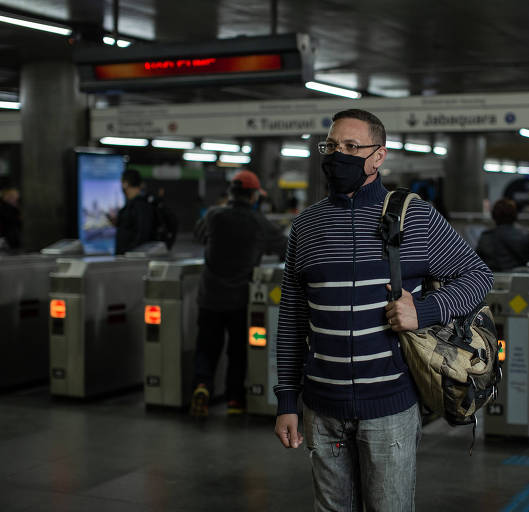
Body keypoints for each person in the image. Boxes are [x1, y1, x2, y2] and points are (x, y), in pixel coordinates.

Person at [273, 109, 493, 511]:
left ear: (378, 157)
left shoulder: (415, 217)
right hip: (322, 410)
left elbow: (478, 276)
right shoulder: (306, 227)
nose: (338, 155)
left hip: (390, 408)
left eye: (352, 147)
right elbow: (291, 319)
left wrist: (424, 311)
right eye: (332, 146)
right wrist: (288, 400)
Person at [189, 170, 287, 417]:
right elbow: (286, 247)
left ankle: (202, 386)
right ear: (254, 195)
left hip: (209, 296)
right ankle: (235, 400)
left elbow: (198, 235)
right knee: (237, 351)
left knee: (206, 347)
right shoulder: (259, 222)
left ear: (231, 193)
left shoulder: (213, 215)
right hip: (240, 299)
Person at [476, 198, 529, 271]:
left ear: (494, 216)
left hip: (494, 280)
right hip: (523, 280)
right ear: (515, 215)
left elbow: (476, 264)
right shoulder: (528, 235)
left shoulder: (485, 237)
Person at [110, 169, 155, 255]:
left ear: (126, 184)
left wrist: (129, 253)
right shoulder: (133, 204)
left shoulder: (140, 205)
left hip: (131, 261)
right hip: (126, 258)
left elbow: (142, 234)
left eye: (122, 182)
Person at [0, 185, 21, 250]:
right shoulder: (6, 208)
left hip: (11, 238)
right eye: (13, 197)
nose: (15, 199)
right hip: (7, 238)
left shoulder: (12, 208)